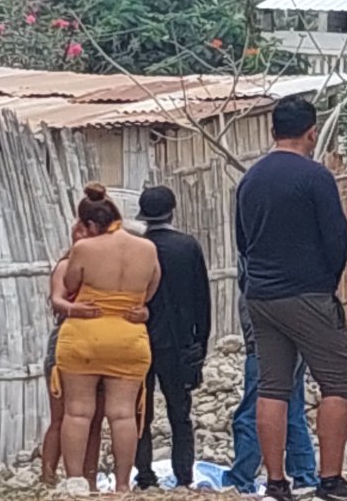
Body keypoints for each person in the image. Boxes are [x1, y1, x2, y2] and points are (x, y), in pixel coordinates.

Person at [236, 96, 347, 501]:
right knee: (338, 379)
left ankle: (276, 482)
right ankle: (329, 479)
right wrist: (327, 284)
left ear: (272, 131)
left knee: (273, 386)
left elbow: (242, 241)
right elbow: (337, 238)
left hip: (260, 295)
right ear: (312, 131)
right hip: (307, 292)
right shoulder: (316, 177)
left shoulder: (250, 179)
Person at [54, 184, 160, 495]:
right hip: (129, 335)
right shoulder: (148, 248)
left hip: (86, 333)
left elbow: (72, 283)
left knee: (78, 411)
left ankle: (76, 483)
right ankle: (124, 484)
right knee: (123, 413)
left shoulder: (84, 249)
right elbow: (149, 292)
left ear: (88, 224)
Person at [133, 186, 211, 491]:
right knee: (180, 413)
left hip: (139, 339)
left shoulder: (136, 248)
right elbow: (201, 299)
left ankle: (144, 476)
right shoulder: (187, 246)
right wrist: (201, 343)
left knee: (141, 413)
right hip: (179, 343)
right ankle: (184, 478)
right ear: (172, 211)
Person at [223, 258, 320, 494]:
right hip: (299, 333)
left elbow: (252, 288)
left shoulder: (257, 251)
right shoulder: (298, 250)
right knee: (292, 410)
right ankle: (304, 476)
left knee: (254, 411)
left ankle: (242, 478)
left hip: (265, 344)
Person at [41, 221, 124, 491]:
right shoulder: (66, 266)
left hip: (99, 344)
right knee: (62, 415)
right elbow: (57, 300)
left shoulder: (105, 268)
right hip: (68, 341)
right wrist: (79, 310)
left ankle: (88, 480)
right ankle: (49, 477)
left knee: (94, 419)